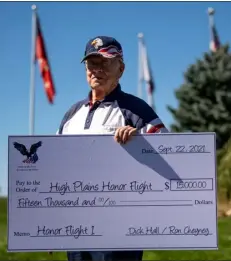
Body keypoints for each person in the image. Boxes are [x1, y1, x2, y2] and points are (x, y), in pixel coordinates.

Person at [56, 36, 169, 261]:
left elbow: (170, 154)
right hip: (77, 228)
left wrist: (141, 144)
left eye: (106, 63)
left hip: (120, 230)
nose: (98, 70)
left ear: (121, 69)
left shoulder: (137, 110)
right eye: (92, 63)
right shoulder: (71, 114)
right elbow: (55, 171)